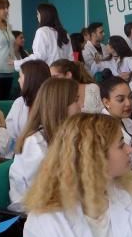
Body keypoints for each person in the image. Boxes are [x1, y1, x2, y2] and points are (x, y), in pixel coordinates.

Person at [9, 78, 81, 210]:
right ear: (61, 104)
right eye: (76, 100)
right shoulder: (35, 144)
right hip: (36, 210)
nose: (81, 106)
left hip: (60, 204)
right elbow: (43, 193)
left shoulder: (65, 135)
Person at [3, 60, 51, 158]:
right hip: (20, 153)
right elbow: (11, 132)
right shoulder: (20, 103)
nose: (18, 80)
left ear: (30, 79)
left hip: (46, 155)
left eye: (20, 76)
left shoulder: (51, 103)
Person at [16, 3, 72, 68]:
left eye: (38, 14)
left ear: (44, 15)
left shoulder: (42, 31)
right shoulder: (64, 33)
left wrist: (17, 63)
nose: (37, 16)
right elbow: (70, 56)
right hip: (64, 72)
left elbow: (39, 57)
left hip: (49, 72)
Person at [100, 76, 132, 146]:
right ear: (106, 102)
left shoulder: (126, 120)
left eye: (130, 97)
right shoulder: (103, 130)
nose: (128, 103)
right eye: (120, 99)